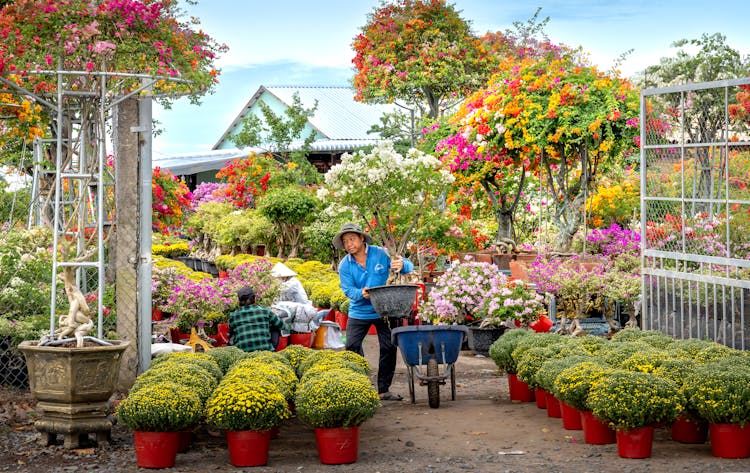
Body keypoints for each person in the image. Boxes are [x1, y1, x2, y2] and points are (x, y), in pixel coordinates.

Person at [334, 222, 414, 401]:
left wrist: (403, 264)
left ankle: (383, 390)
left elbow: (408, 266)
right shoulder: (344, 265)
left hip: (385, 310)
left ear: (362, 238)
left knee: (388, 347)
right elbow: (347, 290)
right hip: (359, 311)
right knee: (352, 347)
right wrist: (360, 293)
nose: (349, 245)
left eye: (352, 239)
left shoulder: (380, 253)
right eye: (345, 242)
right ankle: (360, 385)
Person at [229, 286, 285, 352]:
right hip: (265, 351)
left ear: (239, 302)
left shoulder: (233, 316)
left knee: (235, 331)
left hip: (243, 353)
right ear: (254, 299)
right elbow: (282, 325)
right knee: (275, 326)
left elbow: (230, 332)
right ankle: (271, 350)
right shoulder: (265, 311)